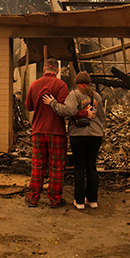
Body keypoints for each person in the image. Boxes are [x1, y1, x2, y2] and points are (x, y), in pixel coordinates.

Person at [43, 71, 105, 210]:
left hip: (79, 135)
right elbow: (102, 117)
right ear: (89, 82)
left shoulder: (75, 94)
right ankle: (93, 200)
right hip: (96, 136)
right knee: (91, 167)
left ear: (77, 83)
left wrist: (52, 103)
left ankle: (79, 202)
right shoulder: (97, 96)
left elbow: (68, 110)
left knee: (79, 168)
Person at [24, 58, 70, 208]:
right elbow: (65, 109)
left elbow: (29, 106)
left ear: (44, 70)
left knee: (38, 165)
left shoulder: (34, 85)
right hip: (56, 132)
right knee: (56, 166)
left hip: (38, 131)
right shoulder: (61, 85)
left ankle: (33, 198)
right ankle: (55, 199)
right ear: (57, 70)